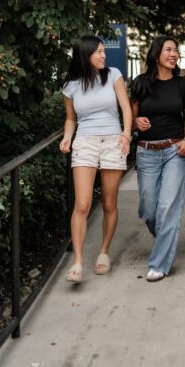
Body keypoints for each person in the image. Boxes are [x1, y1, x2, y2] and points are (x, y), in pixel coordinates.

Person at [60, 35, 132, 283]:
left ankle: (103, 252)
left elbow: (126, 108)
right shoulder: (70, 85)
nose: (104, 55)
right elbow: (71, 118)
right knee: (82, 204)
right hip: (85, 143)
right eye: (98, 52)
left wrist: (126, 133)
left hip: (113, 141)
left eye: (104, 51)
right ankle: (78, 261)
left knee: (109, 203)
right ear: (85, 54)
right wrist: (67, 137)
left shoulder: (113, 75)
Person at [131, 36, 185, 282]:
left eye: (176, 50)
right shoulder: (140, 84)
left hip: (174, 150)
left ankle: (159, 264)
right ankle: (163, 238)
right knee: (149, 208)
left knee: (168, 207)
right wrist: (136, 122)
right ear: (157, 54)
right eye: (169, 49)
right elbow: (131, 118)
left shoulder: (182, 85)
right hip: (146, 151)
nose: (174, 53)